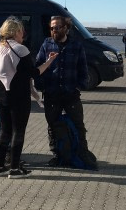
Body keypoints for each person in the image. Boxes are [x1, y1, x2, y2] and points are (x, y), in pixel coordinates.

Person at [0, 17, 57, 177]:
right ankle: (15, 168)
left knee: (4, 129)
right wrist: (49, 61)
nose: (23, 35)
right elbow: (34, 72)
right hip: (18, 94)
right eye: (21, 31)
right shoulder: (20, 49)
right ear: (16, 31)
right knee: (18, 131)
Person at [35, 16, 98, 169]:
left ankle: (82, 154)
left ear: (65, 28)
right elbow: (37, 67)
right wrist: (42, 86)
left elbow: (83, 70)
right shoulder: (46, 44)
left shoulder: (76, 46)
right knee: (53, 126)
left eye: (56, 27)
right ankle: (57, 156)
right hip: (52, 94)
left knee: (78, 125)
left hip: (71, 94)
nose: (53, 31)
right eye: (51, 28)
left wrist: (78, 87)